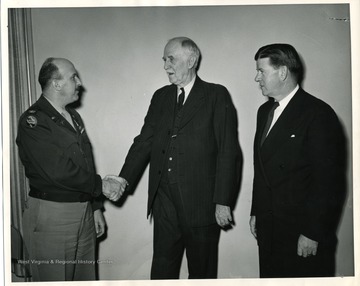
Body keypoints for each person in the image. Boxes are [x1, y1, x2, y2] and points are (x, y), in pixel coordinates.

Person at [107, 37, 242, 279]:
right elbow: (144, 141)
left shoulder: (215, 95)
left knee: (202, 272)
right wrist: (123, 179)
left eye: (171, 59)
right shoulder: (161, 97)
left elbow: (228, 151)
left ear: (191, 60)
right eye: (164, 60)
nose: (166, 66)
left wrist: (223, 200)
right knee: (162, 270)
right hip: (164, 200)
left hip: (203, 203)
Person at [16, 57, 120, 281]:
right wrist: (102, 186)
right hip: (53, 215)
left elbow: (85, 163)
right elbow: (57, 171)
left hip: (83, 212)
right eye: (73, 77)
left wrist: (94, 207)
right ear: (56, 84)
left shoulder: (73, 116)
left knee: (85, 279)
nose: (79, 82)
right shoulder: (33, 121)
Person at [249, 43, 346, 278]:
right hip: (269, 227)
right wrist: (256, 211)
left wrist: (313, 232)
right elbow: (261, 171)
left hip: (301, 232)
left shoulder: (318, 113)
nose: (256, 78)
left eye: (262, 71)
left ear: (282, 72)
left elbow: (329, 182)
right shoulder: (264, 113)